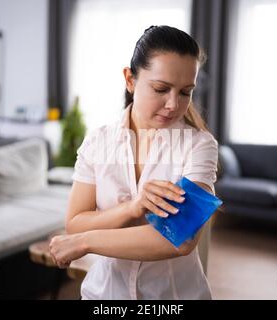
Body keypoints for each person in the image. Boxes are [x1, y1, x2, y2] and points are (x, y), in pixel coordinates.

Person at [49, 25, 219, 300]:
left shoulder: (199, 145)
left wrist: (85, 242)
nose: (173, 105)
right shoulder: (98, 142)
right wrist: (131, 208)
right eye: (161, 89)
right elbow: (76, 222)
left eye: (186, 92)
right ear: (130, 79)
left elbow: (181, 238)